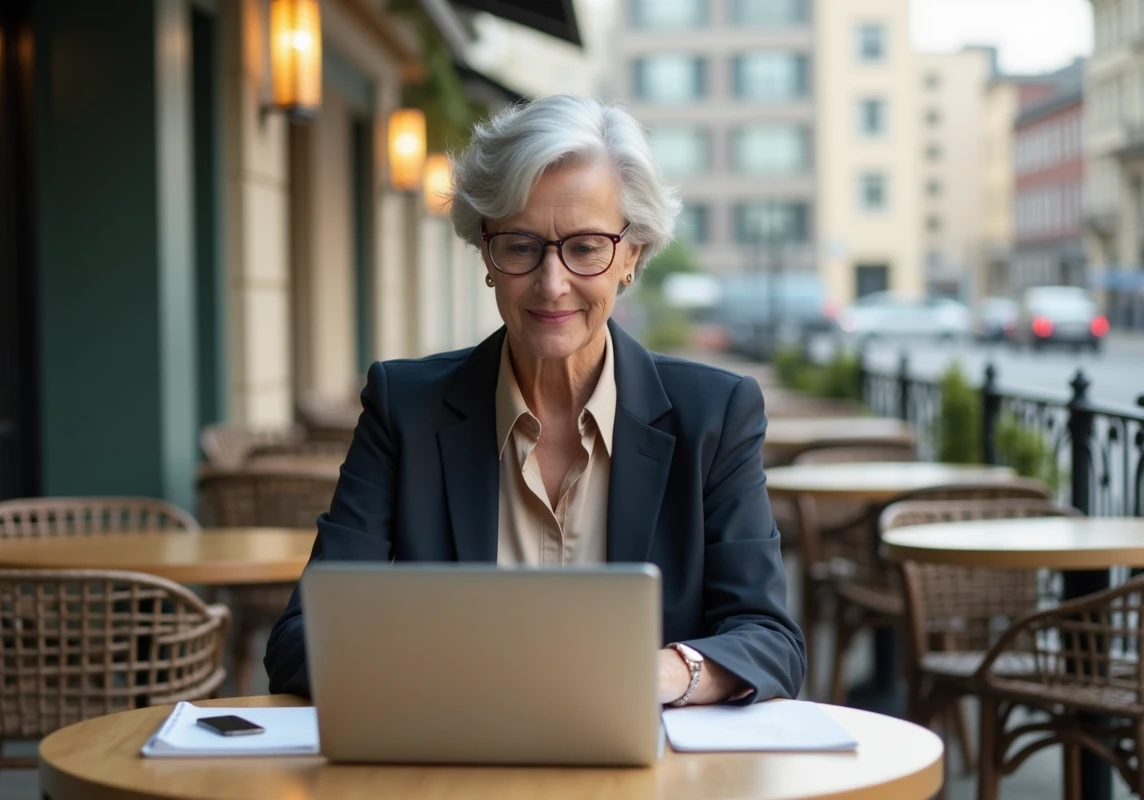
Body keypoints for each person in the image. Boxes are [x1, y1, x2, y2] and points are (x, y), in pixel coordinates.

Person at [265, 95, 805, 707]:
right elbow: (299, 640)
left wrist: (662, 673)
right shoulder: (405, 409)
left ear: (631, 255)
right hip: (455, 751)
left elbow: (770, 641)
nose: (552, 284)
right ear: (486, 252)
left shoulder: (714, 415)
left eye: (586, 247)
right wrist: (455, 671)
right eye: (521, 246)